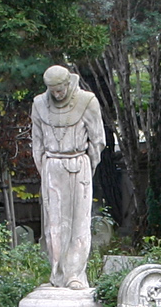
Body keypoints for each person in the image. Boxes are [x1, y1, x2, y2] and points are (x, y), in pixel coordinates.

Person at [29, 64, 106, 289]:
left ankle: (75, 274)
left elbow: (97, 139)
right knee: (54, 224)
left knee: (78, 223)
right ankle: (57, 273)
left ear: (68, 83)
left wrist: (87, 166)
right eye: (52, 90)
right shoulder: (38, 104)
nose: (57, 94)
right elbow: (37, 141)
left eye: (60, 89)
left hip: (78, 165)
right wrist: (45, 167)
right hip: (52, 166)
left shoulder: (88, 101)